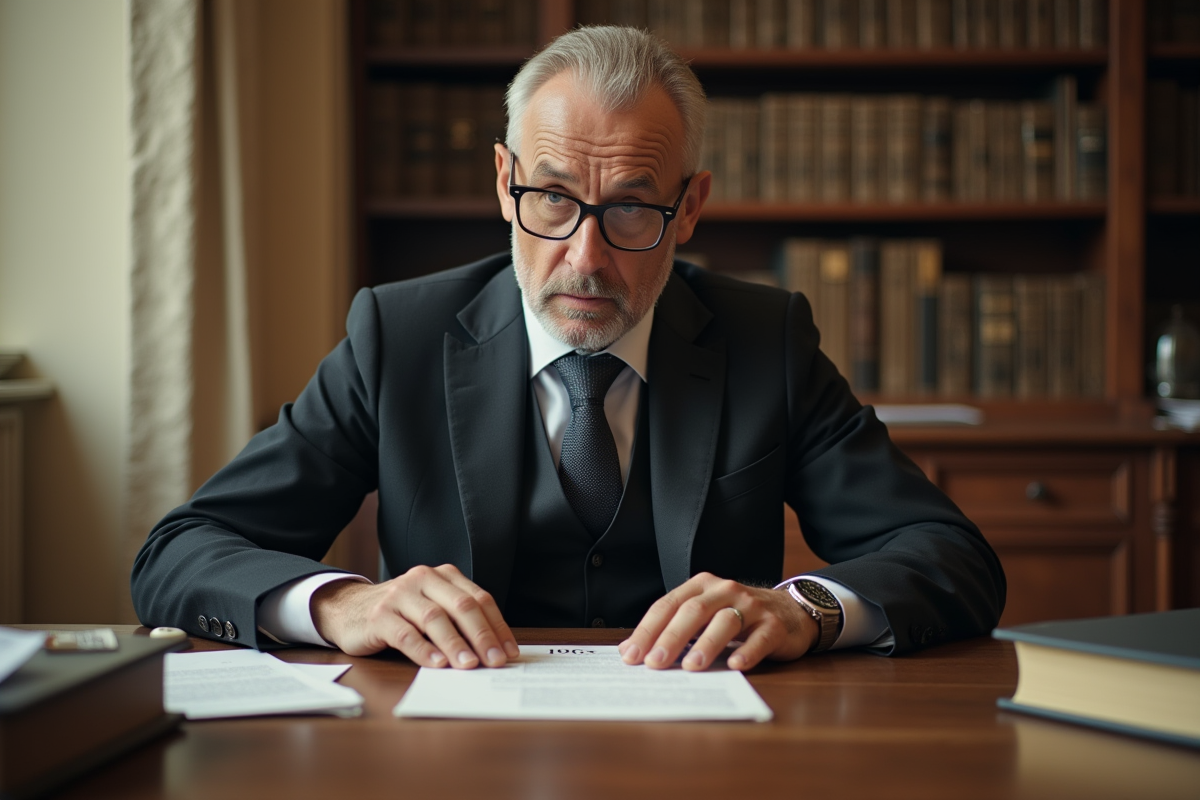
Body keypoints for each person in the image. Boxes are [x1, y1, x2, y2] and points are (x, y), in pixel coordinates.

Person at [131, 26, 1004, 674]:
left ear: (690, 208)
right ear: (505, 184)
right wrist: (345, 602)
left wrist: (805, 606)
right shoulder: (398, 336)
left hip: (711, 750)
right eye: (552, 198)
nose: (584, 259)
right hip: (445, 753)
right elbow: (180, 552)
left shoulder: (763, 339)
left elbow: (951, 556)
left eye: (630, 208)